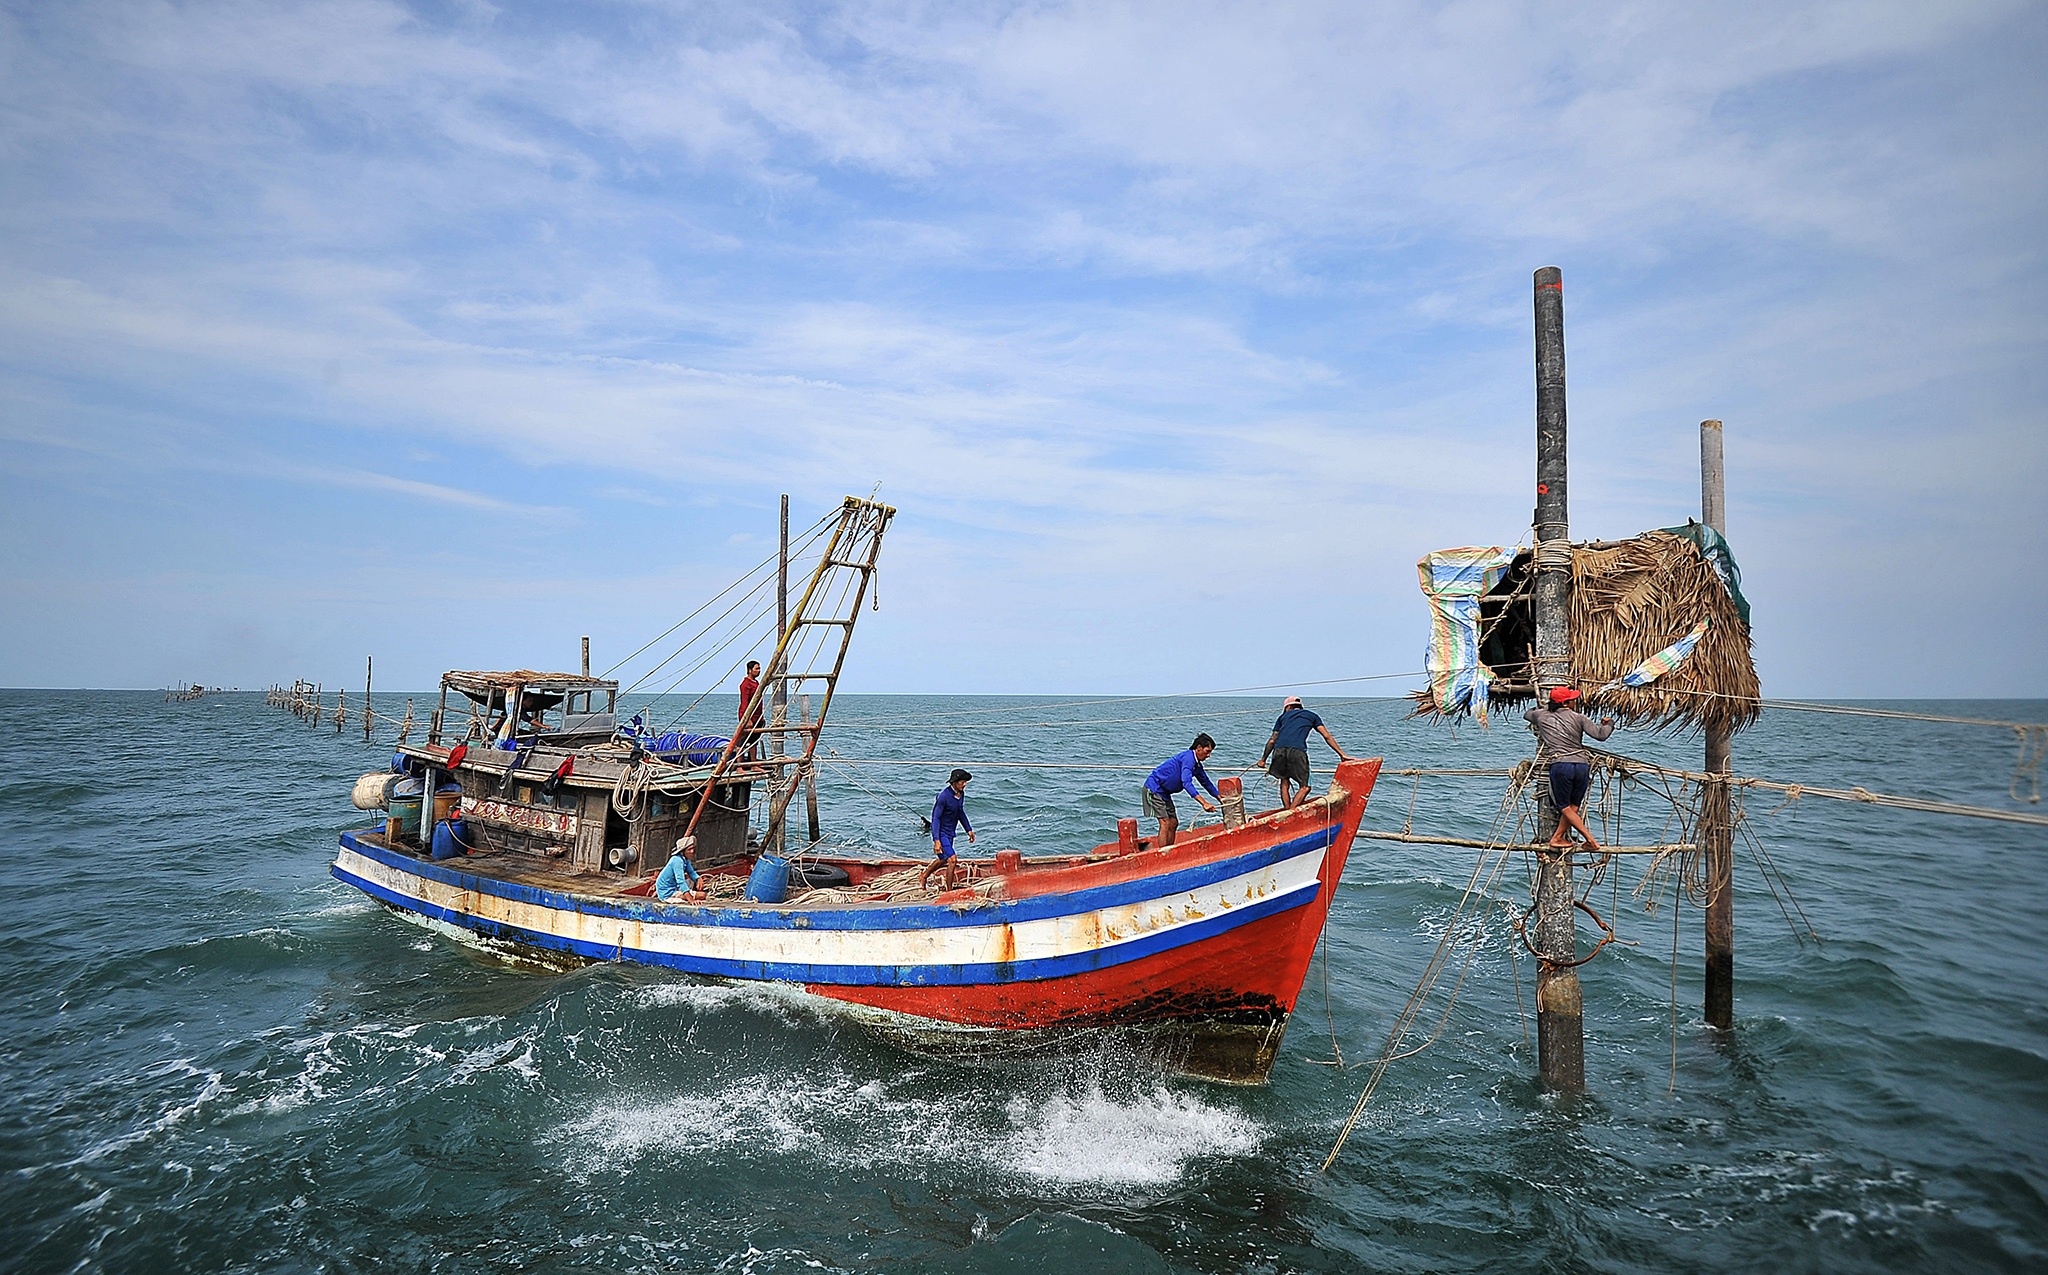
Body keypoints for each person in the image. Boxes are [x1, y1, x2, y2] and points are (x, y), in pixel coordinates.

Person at [1524, 687, 1615, 850]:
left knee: (1563, 806)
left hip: (1561, 764)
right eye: (1572, 699)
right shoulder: (1578, 717)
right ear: (1566, 703)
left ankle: (1590, 840)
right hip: (1581, 765)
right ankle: (1558, 837)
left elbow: (1527, 714)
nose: (1575, 701)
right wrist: (1609, 723)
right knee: (1574, 805)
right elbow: (1601, 735)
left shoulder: (1541, 716)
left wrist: (1544, 707)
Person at [1257, 695, 1351, 808]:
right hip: (1297, 751)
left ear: (1288, 707)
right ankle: (1290, 814)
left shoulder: (1283, 717)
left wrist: (1263, 760)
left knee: (1284, 782)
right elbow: (1326, 736)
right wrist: (1342, 754)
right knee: (1305, 787)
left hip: (1278, 750)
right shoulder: (1312, 716)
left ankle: (1286, 811)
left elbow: (1272, 740)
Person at [1143, 734, 1221, 847]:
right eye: (1207, 751)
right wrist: (1204, 803)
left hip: (1164, 793)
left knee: (1174, 823)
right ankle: (1162, 853)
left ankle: (1169, 849)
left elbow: (1206, 782)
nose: (1208, 755)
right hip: (1154, 788)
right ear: (1198, 748)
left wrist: (1220, 798)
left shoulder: (1197, 765)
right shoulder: (1188, 758)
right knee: (1165, 822)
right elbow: (1186, 783)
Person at [921, 769, 976, 891]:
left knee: (943, 859)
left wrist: (969, 829)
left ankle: (924, 875)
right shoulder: (943, 797)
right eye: (962, 782)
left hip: (951, 832)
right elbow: (936, 818)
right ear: (955, 782)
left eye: (965, 782)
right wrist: (936, 840)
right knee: (952, 860)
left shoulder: (960, 794)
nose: (965, 784)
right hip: (941, 833)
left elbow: (960, 812)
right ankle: (949, 890)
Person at [655, 836, 703, 902]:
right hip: (667, 893)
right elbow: (681, 881)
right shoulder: (677, 861)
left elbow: (691, 872)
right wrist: (691, 900)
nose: (692, 851)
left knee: (702, 895)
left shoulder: (685, 860)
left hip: (675, 888)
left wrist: (698, 878)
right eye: (689, 849)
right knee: (700, 896)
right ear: (683, 851)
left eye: (693, 848)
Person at [737, 661, 765, 759]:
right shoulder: (746, 684)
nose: (759, 671)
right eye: (756, 669)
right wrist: (747, 719)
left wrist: (761, 718)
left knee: (754, 741)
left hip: (757, 717)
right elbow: (744, 702)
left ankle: (753, 763)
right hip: (749, 717)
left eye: (759, 668)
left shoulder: (756, 683)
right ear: (750, 670)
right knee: (742, 741)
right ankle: (739, 766)